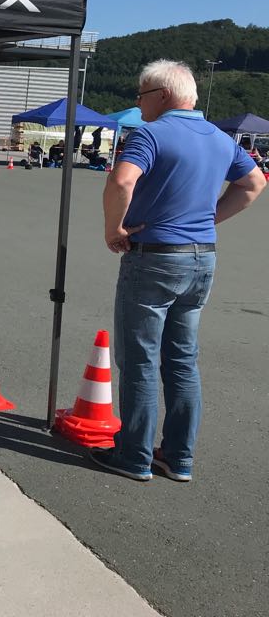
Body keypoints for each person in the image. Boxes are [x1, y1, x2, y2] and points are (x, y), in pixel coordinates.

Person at [95, 60, 265, 483]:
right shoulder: (219, 138)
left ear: (164, 95)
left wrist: (114, 229)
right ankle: (178, 456)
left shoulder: (150, 133)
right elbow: (254, 184)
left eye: (142, 94)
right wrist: (209, 220)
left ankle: (133, 455)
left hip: (154, 256)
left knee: (139, 360)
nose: (138, 103)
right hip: (201, 256)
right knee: (182, 360)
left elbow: (121, 182)